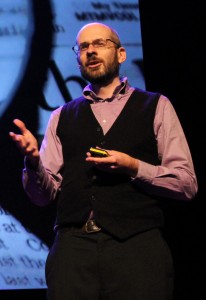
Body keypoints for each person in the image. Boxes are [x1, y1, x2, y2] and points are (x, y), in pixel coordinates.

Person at [9, 22, 198, 300]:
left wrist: (133, 167)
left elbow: (186, 184)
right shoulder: (61, 116)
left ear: (121, 54)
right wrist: (33, 162)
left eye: (100, 44)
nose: (91, 52)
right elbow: (41, 197)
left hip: (136, 248)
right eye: (83, 47)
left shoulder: (156, 106)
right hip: (74, 252)